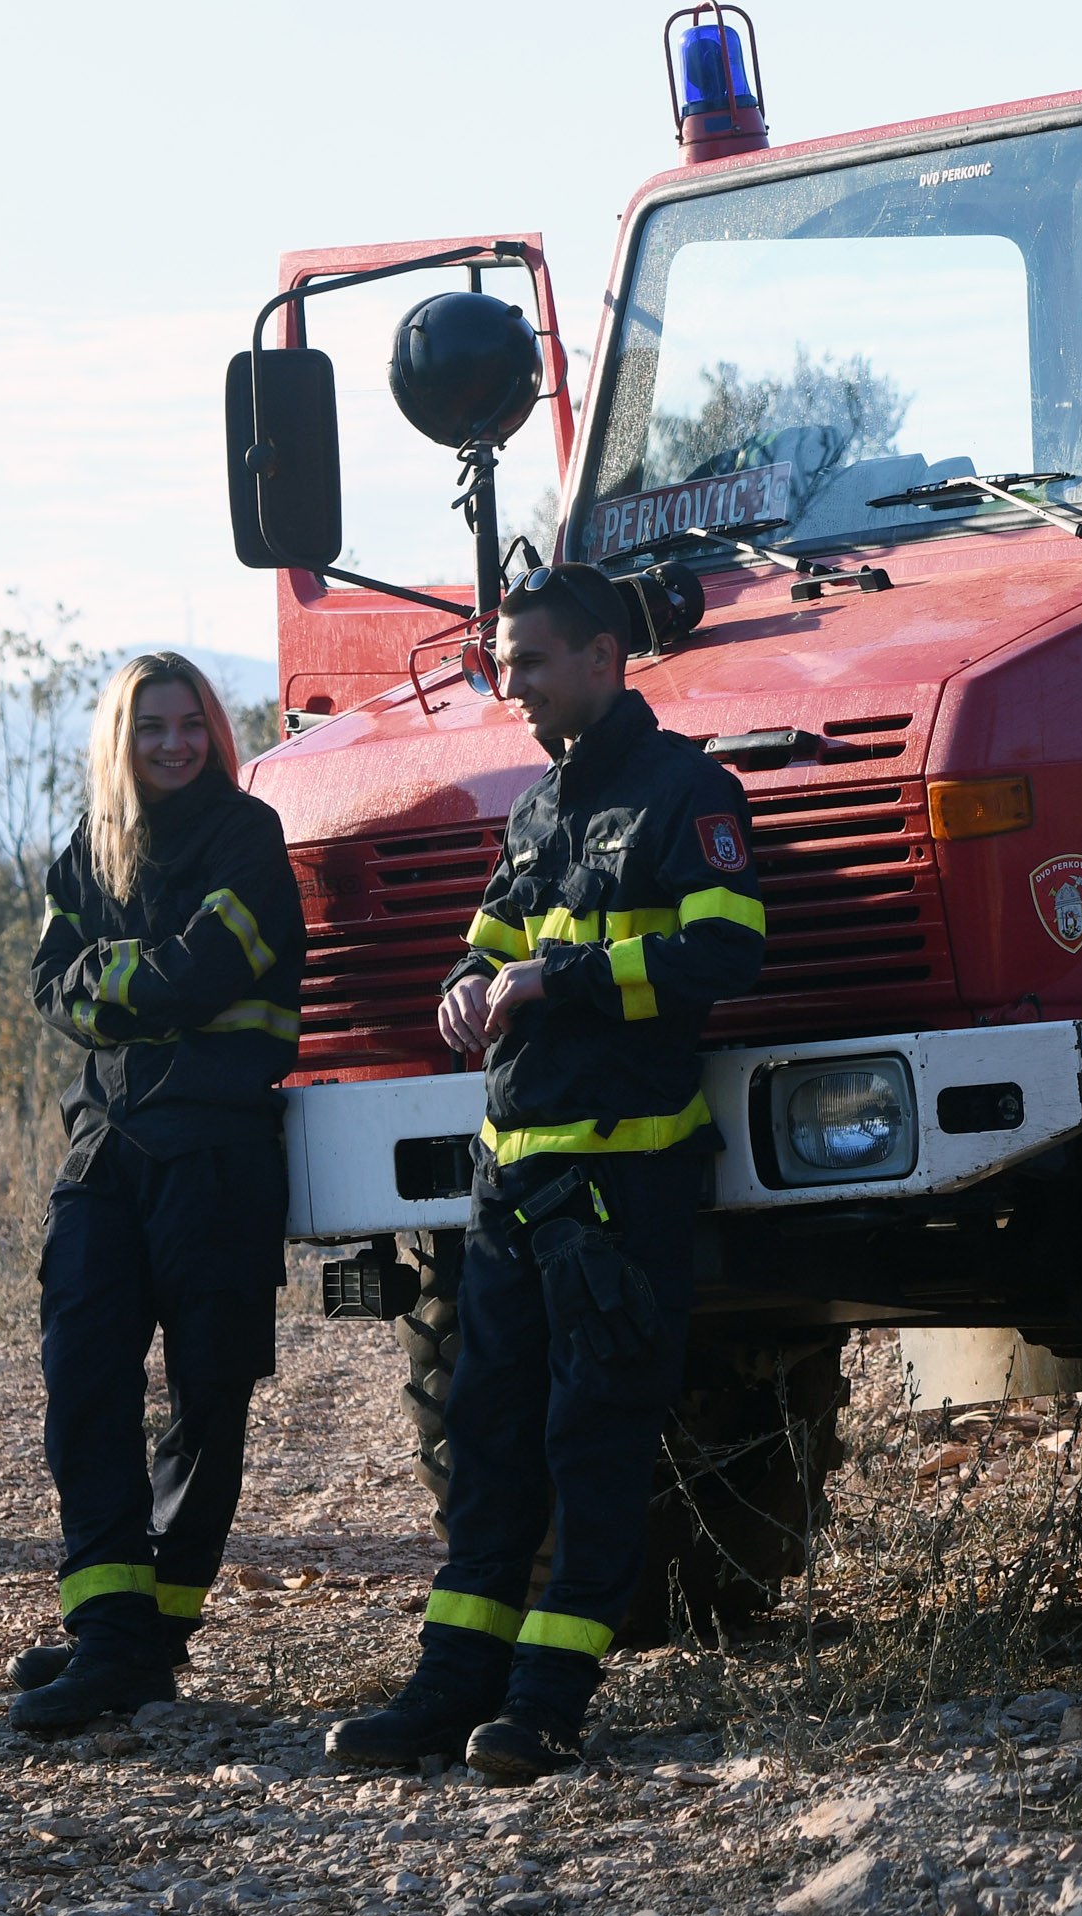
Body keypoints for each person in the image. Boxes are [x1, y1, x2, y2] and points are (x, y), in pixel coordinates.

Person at [327, 564, 762, 1782]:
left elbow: (726, 953)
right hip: (510, 1187)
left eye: (525, 662)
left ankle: (548, 1703)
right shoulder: (535, 812)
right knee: (487, 1440)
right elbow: (485, 950)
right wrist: (463, 990)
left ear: (602, 659)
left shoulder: (687, 793)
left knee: (593, 1443)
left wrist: (555, 981)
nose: (507, 684)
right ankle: (448, 1689)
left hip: (622, 1188)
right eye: (498, 663)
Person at [7, 652, 304, 1735]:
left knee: (206, 1402)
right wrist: (133, 982)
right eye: (151, 727)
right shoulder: (87, 850)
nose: (174, 744)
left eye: (190, 724)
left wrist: (114, 981)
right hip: (105, 1150)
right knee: (83, 1381)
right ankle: (109, 1628)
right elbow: (51, 984)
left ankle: (148, 1640)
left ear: (214, 734)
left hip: (216, 1148)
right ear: (118, 742)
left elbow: (200, 973)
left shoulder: (247, 835)